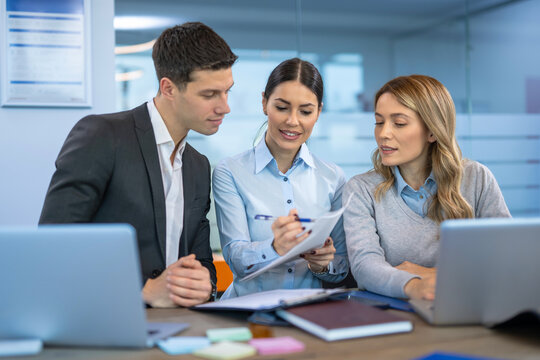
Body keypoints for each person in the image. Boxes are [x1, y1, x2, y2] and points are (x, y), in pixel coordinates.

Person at [39, 22, 237, 308]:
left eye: (227, 91)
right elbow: (52, 247)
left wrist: (204, 284)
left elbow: (203, 262)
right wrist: (141, 292)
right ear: (168, 88)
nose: (224, 107)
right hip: (103, 323)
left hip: (178, 331)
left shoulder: (198, 165)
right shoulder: (102, 135)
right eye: (209, 95)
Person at [343, 75, 510, 301]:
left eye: (399, 123)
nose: (383, 133)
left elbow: (506, 259)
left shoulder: (477, 178)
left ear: (432, 131)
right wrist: (413, 287)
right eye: (379, 122)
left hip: (470, 307)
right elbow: (365, 267)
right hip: (396, 314)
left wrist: (432, 275)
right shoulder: (360, 189)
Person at [212, 58, 349, 299]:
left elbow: (341, 268)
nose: (292, 121)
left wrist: (323, 265)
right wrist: (274, 248)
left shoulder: (334, 178)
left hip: (309, 313)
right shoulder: (230, 171)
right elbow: (235, 259)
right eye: (282, 107)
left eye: (305, 111)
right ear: (264, 103)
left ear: (318, 112)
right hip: (247, 311)